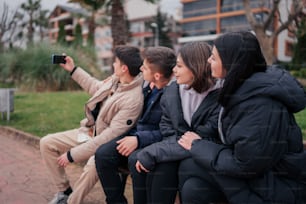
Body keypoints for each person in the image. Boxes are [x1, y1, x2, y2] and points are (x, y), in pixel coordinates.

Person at [178, 31, 306, 203]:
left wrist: (198, 145)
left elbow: (247, 164)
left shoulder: (260, 103)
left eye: (214, 58)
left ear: (232, 62)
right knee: (193, 189)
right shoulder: (243, 87)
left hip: (276, 186)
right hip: (259, 175)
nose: (209, 61)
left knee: (189, 166)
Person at [40, 45, 144, 204]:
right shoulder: (116, 80)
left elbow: (108, 137)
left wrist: (71, 155)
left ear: (124, 68)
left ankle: (71, 201)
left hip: (105, 144)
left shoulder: (133, 99)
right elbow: (95, 87)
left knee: (92, 165)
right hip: (89, 132)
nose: (113, 65)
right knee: (47, 143)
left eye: (115, 62)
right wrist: (73, 69)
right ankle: (64, 191)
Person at [132, 41, 222, 204]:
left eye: (179, 66)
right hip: (176, 147)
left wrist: (155, 151)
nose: (174, 70)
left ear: (195, 67)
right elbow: (166, 128)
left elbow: (207, 137)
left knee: (161, 164)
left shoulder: (219, 97)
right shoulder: (172, 91)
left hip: (205, 155)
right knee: (157, 165)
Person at [94, 46, 176, 204]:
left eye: (144, 68)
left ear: (157, 75)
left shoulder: (170, 96)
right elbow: (124, 77)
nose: (140, 69)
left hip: (150, 141)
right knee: (103, 154)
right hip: (135, 133)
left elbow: (167, 131)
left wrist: (138, 140)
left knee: (135, 159)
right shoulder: (147, 84)